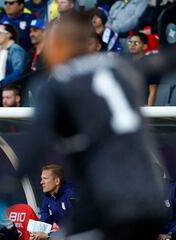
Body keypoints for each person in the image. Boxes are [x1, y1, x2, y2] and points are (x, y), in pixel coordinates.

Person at [19, 14, 168, 240]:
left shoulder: (56, 83)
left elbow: (34, 144)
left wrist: (11, 181)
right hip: (152, 203)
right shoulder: (120, 66)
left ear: (59, 44)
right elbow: (164, 60)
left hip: (112, 203)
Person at [29, 164, 77, 240]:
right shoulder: (46, 200)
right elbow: (43, 221)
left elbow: (73, 224)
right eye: (41, 179)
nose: (41, 182)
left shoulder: (71, 197)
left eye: (45, 179)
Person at [0, 24, 26, 89]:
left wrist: (0, 83)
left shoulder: (15, 49)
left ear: (9, 34)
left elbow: (19, 72)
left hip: (13, 88)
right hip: (0, 89)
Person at [128, 32, 159, 106]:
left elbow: (153, 91)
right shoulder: (126, 64)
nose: (132, 45)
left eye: (136, 43)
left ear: (144, 46)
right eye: (130, 42)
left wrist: (149, 112)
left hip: (143, 107)